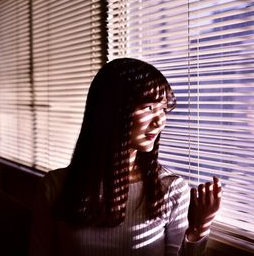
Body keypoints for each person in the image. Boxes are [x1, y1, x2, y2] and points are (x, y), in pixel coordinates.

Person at [29, 58, 221, 256]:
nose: (160, 121)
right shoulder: (55, 186)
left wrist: (198, 229)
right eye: (149, 108)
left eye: (163, 109)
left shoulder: (169, 189)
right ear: (112, 111)